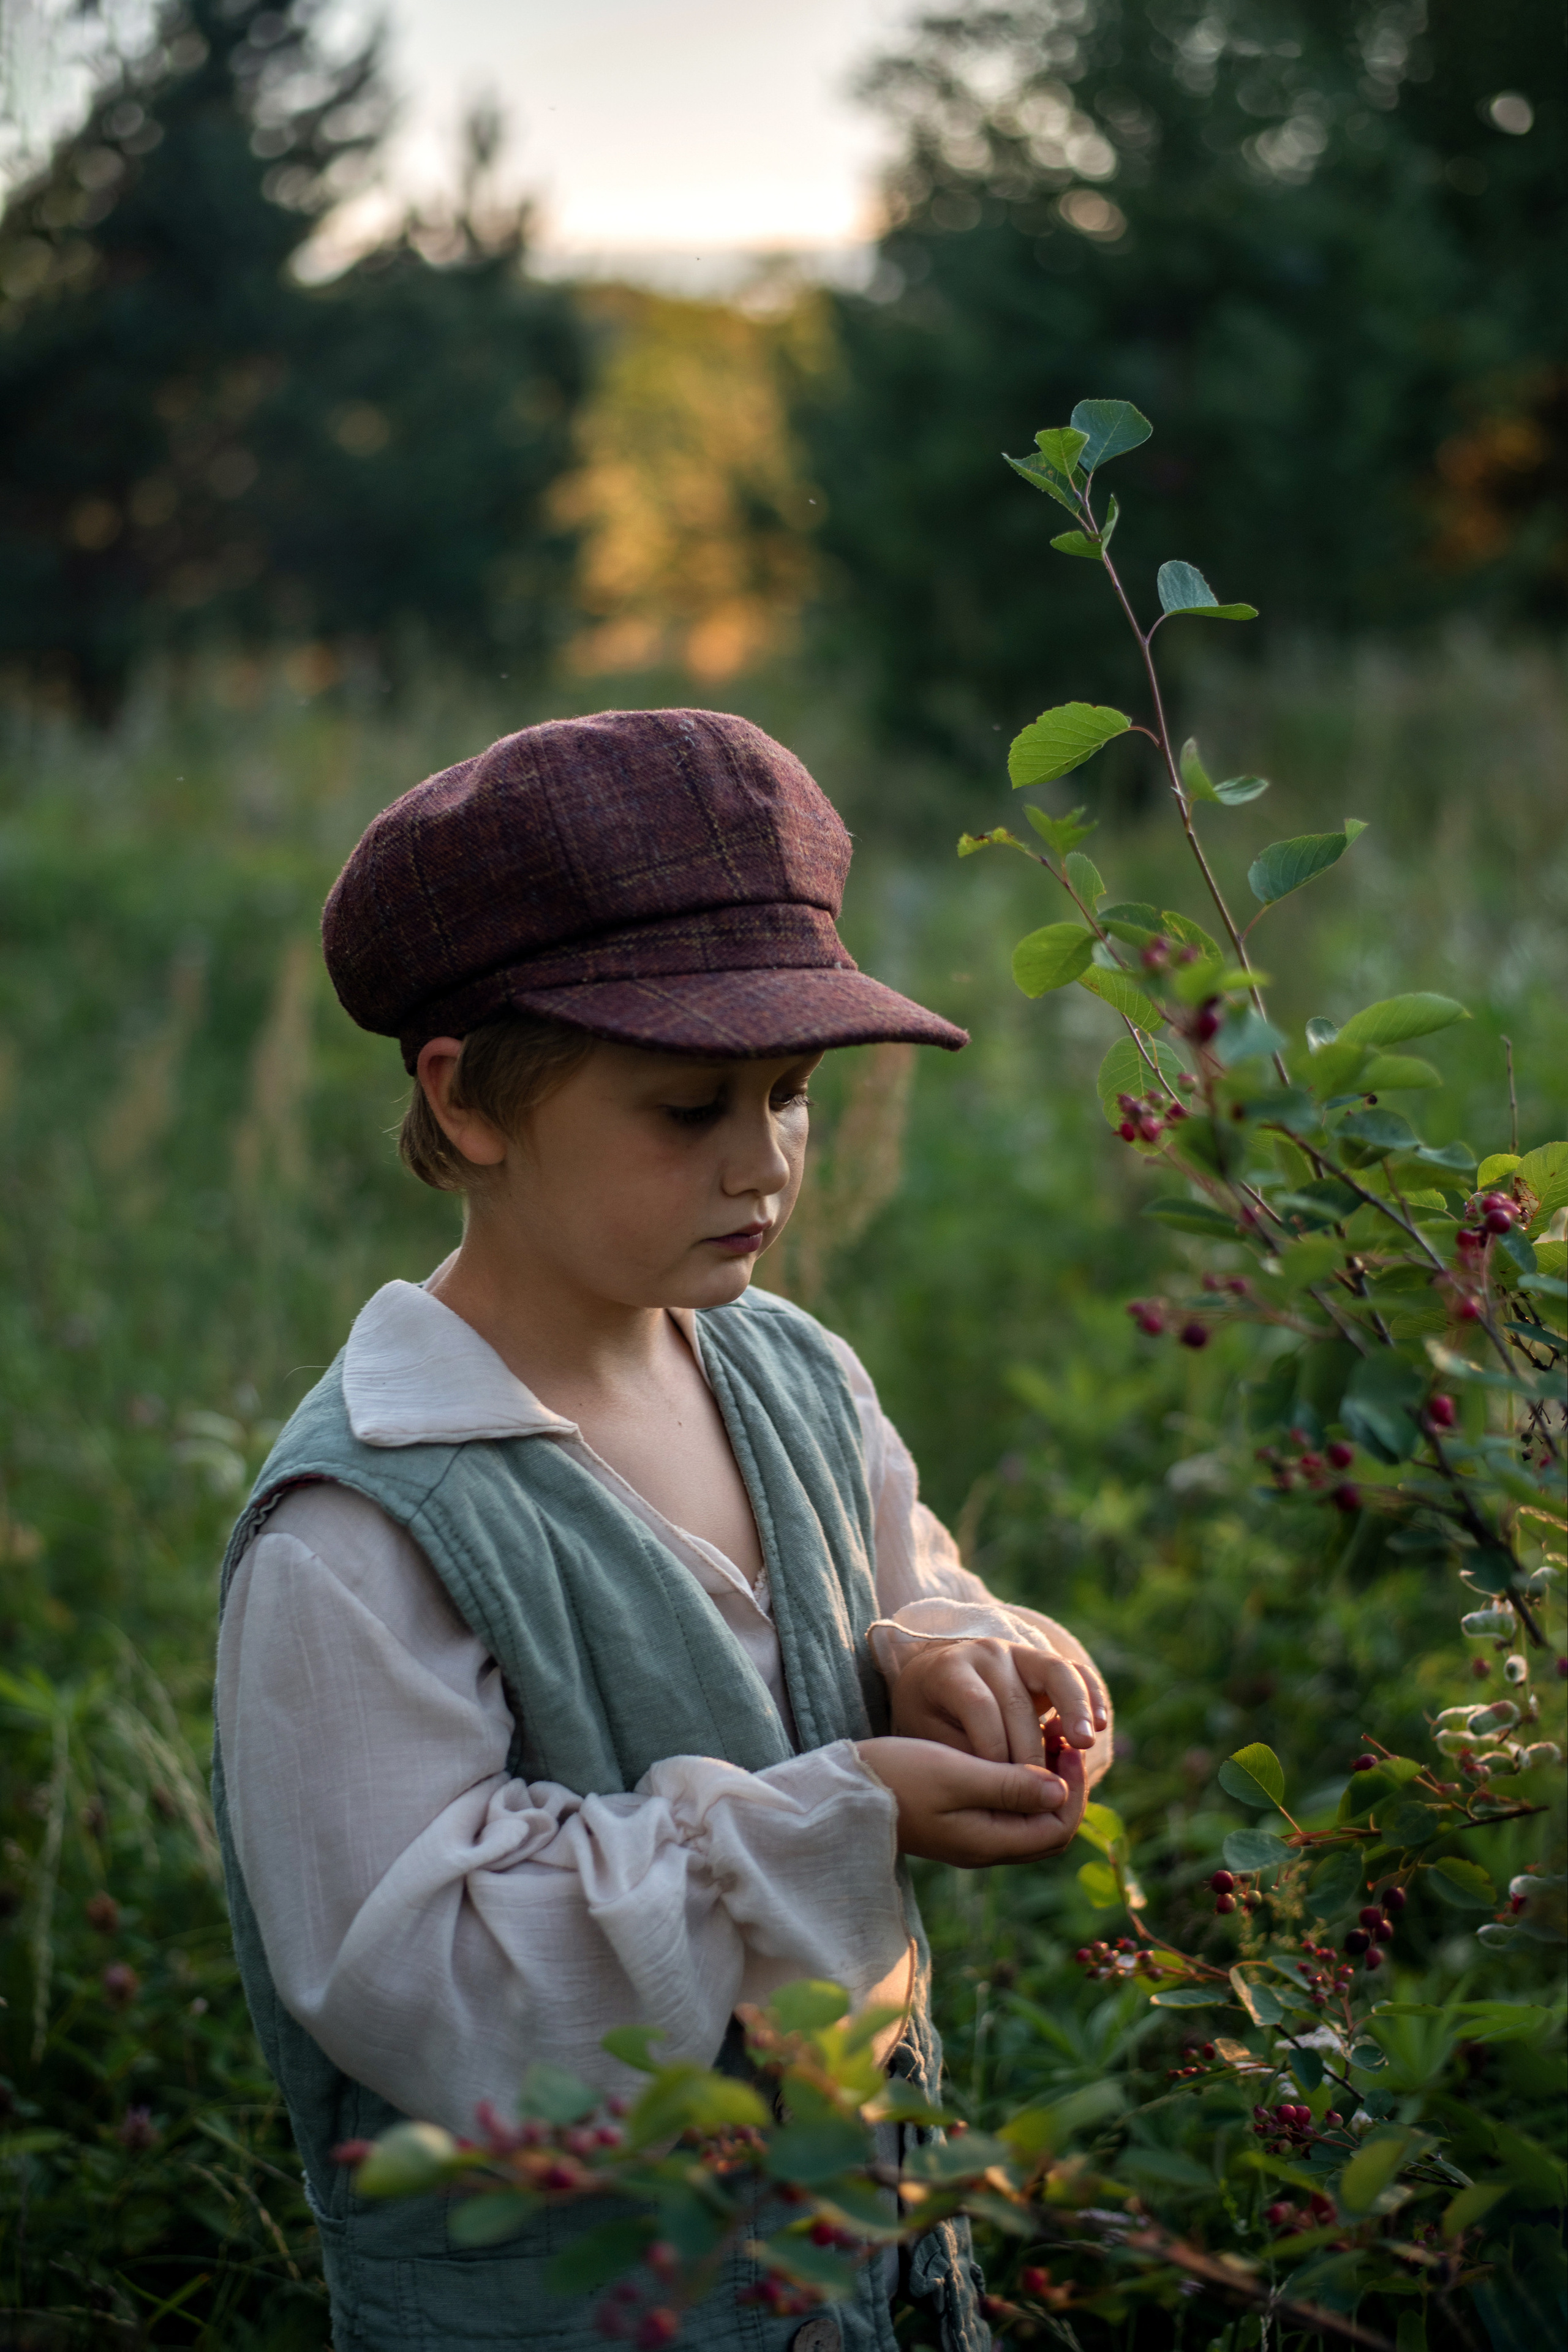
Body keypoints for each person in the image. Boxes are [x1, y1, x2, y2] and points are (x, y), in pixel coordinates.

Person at [211, 708, 1113, 2352]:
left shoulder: (793, 1372)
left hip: (868, 2276)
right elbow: (423, 1977)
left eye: (792, 1094)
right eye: (689, 1107)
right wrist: (834, 1818)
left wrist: (953, 1656)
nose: (762, 1162)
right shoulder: (363, 1523)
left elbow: (904, 1571)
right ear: (469, 1101)